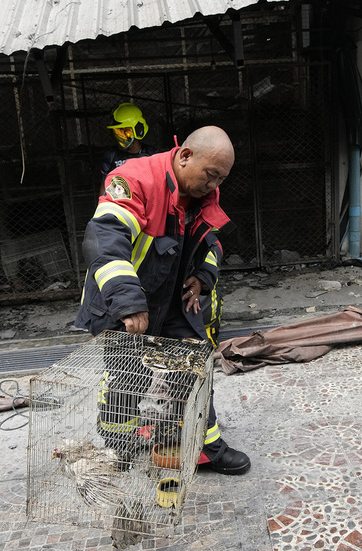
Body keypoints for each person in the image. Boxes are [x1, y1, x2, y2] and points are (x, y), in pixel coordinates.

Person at [75, 125, 250, 475]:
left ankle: (205, 447)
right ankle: (119, 446)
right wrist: (128, 300)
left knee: (195, 370)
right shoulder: (134, 179)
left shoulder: (202, 198)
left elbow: (211, 245)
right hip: (123, 298)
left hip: (171, 300)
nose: (214, 186)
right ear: (185, 156)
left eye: (221, 180)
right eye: (210, 175)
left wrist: (203, 278)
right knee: (125, 377)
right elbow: (103, 238)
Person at [98, 102, 158, 195]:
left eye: (125, 132)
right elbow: (104, 187)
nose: (120, 137)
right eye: (117, 132)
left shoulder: (152, 156)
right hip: (120, 206)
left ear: (138, 130)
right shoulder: (111, 156)